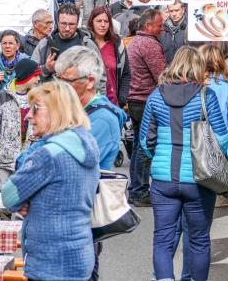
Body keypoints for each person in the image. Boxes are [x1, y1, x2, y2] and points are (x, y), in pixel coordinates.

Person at [139, 46, 228, 281]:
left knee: (163, 240)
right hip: (199, 181)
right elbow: (222, 139)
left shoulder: (156, 96)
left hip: (163, 181)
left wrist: (158, 158)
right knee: (199, 240)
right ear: (198, 67)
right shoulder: (206, 96)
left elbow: (145, 142)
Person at [1, 81, 100, 281]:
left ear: (56, 111)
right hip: (80, 254)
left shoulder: (48, 155)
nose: (28, 115)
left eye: (35, 108)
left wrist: (29, 199)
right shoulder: (87, 146)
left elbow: (9, 196)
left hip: (51, 263)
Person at [55, 46, 127, 280]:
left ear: (90, 81)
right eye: (58, 79)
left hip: (81, 217)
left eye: (67, 81)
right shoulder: (72, 110)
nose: (60, 87)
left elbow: (66, 167)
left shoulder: (102, 119)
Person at [0, 58, 41, 191]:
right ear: (26, 76)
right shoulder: (2, 97)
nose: (38, 79)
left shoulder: (37, 98)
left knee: (21, 195)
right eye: (36, 76)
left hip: (26, 158)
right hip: (2, 159)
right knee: (1, 196)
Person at [126, 9, 167, 206]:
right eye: (159, 26)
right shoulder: (149, 44)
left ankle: (136, 188)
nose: (162, 29)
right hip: (145, 101)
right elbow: (161, 76)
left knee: (138, 146)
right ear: (148, 26)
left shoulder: (135, 41)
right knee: (145, 147)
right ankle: (140, 191)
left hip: (135, 100)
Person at [200, 44, 228, 208]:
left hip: (198, 139)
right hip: (222, 140)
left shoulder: (196, 85)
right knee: (220, 170)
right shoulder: (227, 88)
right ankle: (222, 196)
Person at [32, 3, 98, 82]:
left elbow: (100, 76)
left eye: (71, 24)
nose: (67, 28)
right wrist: (46, 68)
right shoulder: (44, 44)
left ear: (77, 24)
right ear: (57, 22)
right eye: (63, 23)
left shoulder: (88, 45)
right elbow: (31, 76)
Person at [87, 6, 131, 107]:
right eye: (99, 21)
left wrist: (121, 100)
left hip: (112, 104)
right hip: (89, 104)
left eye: (106, 21)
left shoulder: (117, 44)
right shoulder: (85, 43)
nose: (103, 25)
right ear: (92, 22)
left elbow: (126, 74)